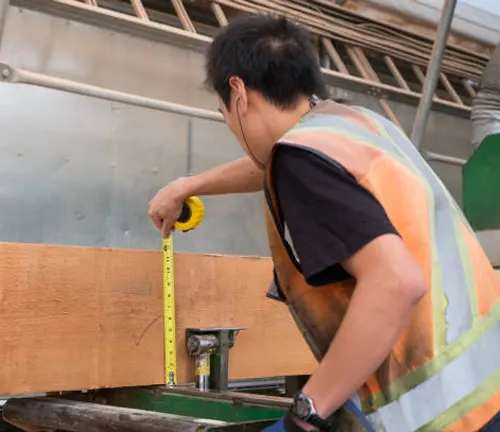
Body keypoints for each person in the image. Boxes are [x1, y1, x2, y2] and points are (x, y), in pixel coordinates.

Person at [148, 14, 500, 432]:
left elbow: (396, 282)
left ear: (238, 92)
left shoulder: (301, 161)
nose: (229, 123)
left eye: (223, 110)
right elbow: (277, 159)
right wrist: (191, 184)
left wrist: (309, 411)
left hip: (446, 416)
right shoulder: (355, 127)